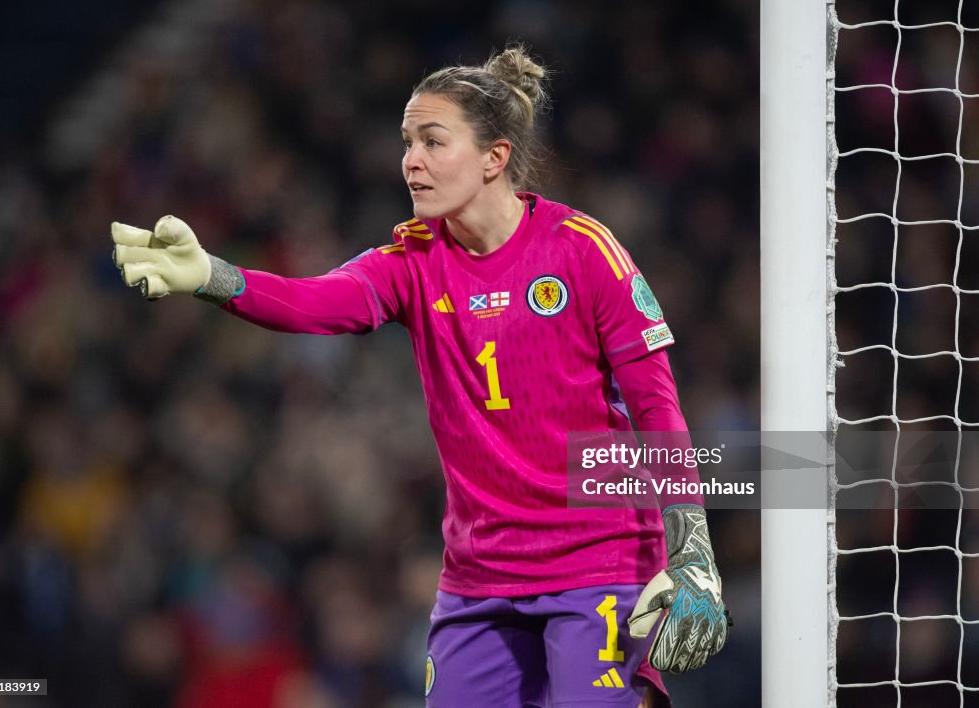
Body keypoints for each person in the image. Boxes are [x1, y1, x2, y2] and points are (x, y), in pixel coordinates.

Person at [111, 44, 730, 708]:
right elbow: (310, 303)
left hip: (597, 563)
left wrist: (692, 550)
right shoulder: (410, 261)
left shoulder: (583, 251)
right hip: (479, 578)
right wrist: (211, 275)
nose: (411, 160)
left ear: (494, 157)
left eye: (434, 141)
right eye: (407, 141)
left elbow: (656, 407)